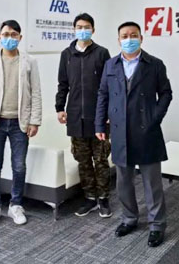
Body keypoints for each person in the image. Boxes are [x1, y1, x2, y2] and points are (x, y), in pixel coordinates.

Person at [95, 21, 172, 247]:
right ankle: (129, 219)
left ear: (141, 38)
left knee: (152, 182)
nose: (129, 39)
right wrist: (99, 125)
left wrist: (154, 118)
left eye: (133, 35)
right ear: (119, 40)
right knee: (123, 181)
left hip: (147, 130)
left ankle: (157, 225)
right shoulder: (110, 64)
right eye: (125, 36)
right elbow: (102, 94)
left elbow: (166, 93)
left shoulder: (154, 64)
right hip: (120, 130)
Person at [0, 20, 42, 228]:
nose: (10, 38)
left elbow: (36, 92)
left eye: (14, 35)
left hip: (20, 123)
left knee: (19, 166)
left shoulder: (29, 61)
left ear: (20, 38)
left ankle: (16, 204)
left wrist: (35, 120)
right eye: (6, 34)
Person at [56, 13, 112, 217]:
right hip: (75, 116)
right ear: (74, 29)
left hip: (99, 117)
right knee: (83, 160)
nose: (82, 30)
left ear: (93, 30)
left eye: (86, 27)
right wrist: (59, 107)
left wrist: (109, 112)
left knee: (101, 159)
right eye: (79, 27)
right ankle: (89, 198)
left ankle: (103, 198)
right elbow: (63, 84)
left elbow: (110, 84)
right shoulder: (67, 54)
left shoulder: (102, 53)